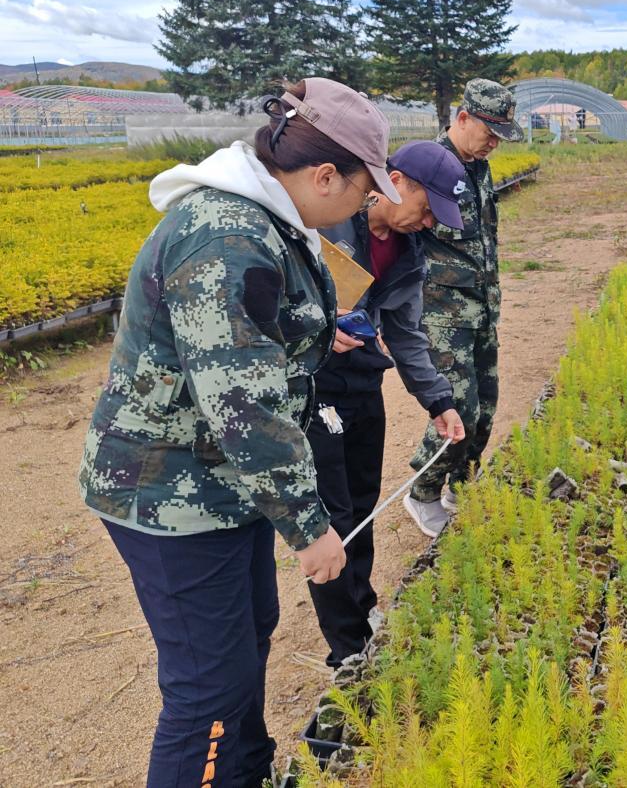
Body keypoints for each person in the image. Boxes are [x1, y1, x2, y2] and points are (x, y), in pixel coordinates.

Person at [79, 77, 399, 788]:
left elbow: (250, 344)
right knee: (208, 689)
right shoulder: (226, 237)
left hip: (218, 484)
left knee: (247, 637)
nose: (365, 205)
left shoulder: (268, 221)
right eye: (362, 190)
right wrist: (310, 526)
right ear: (324, 175)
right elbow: (242, 407)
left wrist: (315, 330)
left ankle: (242, 772)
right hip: (170, 492)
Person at [305, 140, 469, 667]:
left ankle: (363, 604)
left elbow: (406, 334)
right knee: (334, 515)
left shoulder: (407, 252)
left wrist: (438, 400)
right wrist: (314, 328)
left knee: (363, 503)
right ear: (396, 182)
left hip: (361, 383)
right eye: (427, 208)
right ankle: (347, 648)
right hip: (313, 388)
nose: (428, 223)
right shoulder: (324, 219)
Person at [404, 78, 523, 537]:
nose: (494, 143)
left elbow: (484, 239)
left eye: (500, 136)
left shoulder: (479, 167)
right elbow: (403, 233)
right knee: (459, 408)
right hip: (442, 313)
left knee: (486, 406)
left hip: (482, 306)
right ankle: (423, 491)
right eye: (489, 132)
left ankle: (462, 483)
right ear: (463, 118)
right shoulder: (429, 167)